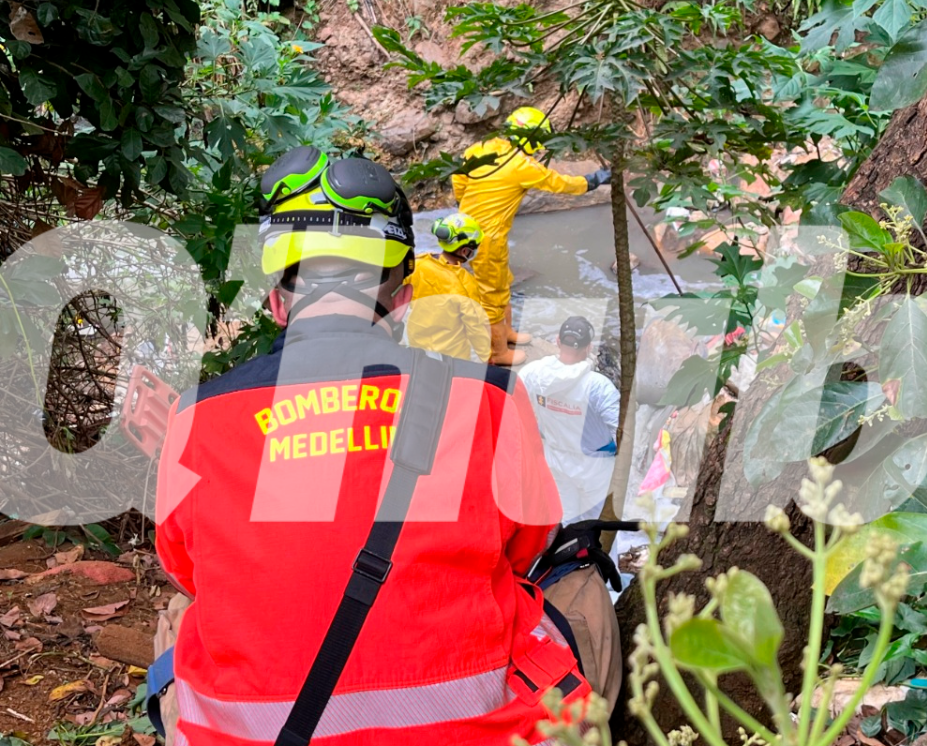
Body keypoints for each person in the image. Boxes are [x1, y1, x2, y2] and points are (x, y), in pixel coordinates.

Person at [148, 148, 619, 746]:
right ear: (401, 301)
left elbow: (186, 566)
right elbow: (527, 544)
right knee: (580, 589)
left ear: (276, 301)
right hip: (474, 731)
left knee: (185, 614)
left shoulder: (197, 415)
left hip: (259, 735)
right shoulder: (490, 398)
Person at [452, 106, 612, 366]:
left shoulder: (482, 147)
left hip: (474, 231)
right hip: (487, 238)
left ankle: (508, 333)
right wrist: (593, 180)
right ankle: (498, 353)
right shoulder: (521, 165)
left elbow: (459, 178)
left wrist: (465, 206)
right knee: (492, 293)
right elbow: (559, 183)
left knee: (504, 281)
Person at [518, 317, 620, 526]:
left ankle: (566, 558)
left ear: (557, 341)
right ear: (589, 346)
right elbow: (620, 431)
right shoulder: (598, 386)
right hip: (595, 466)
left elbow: (515, 409)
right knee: (596, 525)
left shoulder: (533, 374)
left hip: (555, 459)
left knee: (565, 520)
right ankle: (596, 558)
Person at [404, 213, 491, 361]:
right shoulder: (464, 283)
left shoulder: (418, 263)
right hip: (453, 355)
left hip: (417, 346)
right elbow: (476, 326)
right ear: (465, 251)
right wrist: (487, 356)